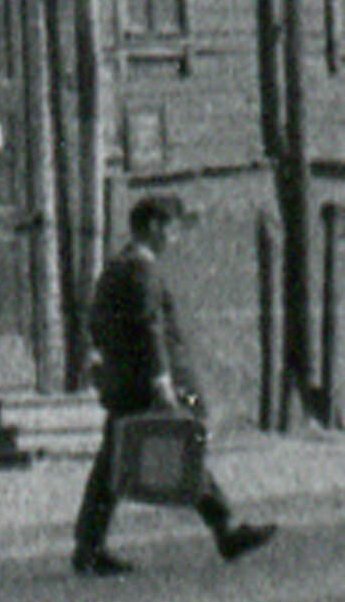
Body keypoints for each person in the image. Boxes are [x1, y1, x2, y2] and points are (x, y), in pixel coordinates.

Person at [75, 189, 276, 568]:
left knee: (110, 464)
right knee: (187, 445)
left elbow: (96, 322)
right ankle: (226, 529)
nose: (174, 238)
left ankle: (88, 547)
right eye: (171, 229)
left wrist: (102, 363)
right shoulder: (142, 270)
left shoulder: (114, 268)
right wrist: (162, 383)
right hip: (152, 382)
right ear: (153, 227)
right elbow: (152, 329)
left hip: (125, 382)